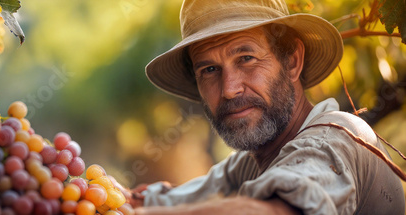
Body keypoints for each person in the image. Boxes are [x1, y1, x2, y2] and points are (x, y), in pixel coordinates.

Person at [121, 0, 406, 214]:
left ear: (292, 61)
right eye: (209, 69)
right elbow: (183, 196)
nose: (229, 88)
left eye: (246, 58)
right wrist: (112, 197)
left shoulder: (334, 139)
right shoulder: (251, 163)